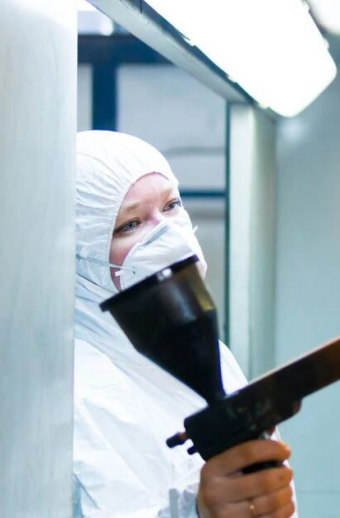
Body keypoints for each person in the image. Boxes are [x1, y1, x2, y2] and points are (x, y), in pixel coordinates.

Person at [73, 131, 296, 518]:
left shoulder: (208, 354)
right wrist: (199, 514)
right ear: (80, 257)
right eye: (129, 224)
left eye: (172, 204)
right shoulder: (75, 388)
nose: (168, 233)